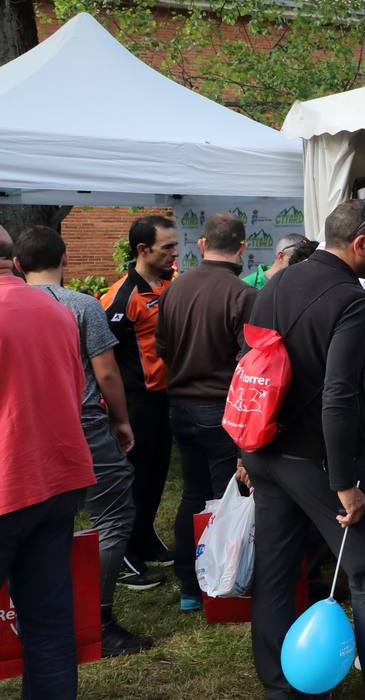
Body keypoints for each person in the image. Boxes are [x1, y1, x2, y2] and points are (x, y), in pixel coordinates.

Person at [242, 199, 365, 699]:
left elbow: (251, 365)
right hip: (318, 457)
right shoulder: (353, 298)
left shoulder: (277, 281)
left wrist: (244, 446)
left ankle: (280, 685)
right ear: (359, 243)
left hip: (267, 448)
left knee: (276, 570)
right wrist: (346, 483)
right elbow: (341, 393)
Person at [13, 227, 156, 655]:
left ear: (19, 265)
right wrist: (123, 420)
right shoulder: (81, 305)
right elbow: (107, 372)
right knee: (112, 516)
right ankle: (97, 618)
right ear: (66, 258)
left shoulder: (10, 307)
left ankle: (29, 616)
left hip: (24, 430)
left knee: (37, 524)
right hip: (84, 423)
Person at [0, 230, 95, 698]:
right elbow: (74, 389)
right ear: (13, 261)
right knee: (49, 620)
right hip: (57, 478)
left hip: (9, 483)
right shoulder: (58, 310)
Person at [155, 212, 258, 613]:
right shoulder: (242, 295)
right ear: (243, 249)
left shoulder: (175, 291)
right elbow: (251, 364)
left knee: (193, 495)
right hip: (220, 409)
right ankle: (220, 585)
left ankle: (189, 583)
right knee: (225, 498)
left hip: (180, 405)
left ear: (201, 245)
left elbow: (162, 347)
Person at [101, 214, 178, 582]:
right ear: (142, 249)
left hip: (165, 397)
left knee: (155, 473)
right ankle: (125, 554)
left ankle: (145, 537)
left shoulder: (169, 284)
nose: (174, 253)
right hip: (135, 401)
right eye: (167, 247)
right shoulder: (120, 296)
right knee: (133, 477)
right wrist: (116, 412)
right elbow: (102, 358)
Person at [241, 232, 310, 288]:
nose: (301, 267)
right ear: (281, 256)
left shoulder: (304, 285)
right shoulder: (245, 285)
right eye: (297, 260)